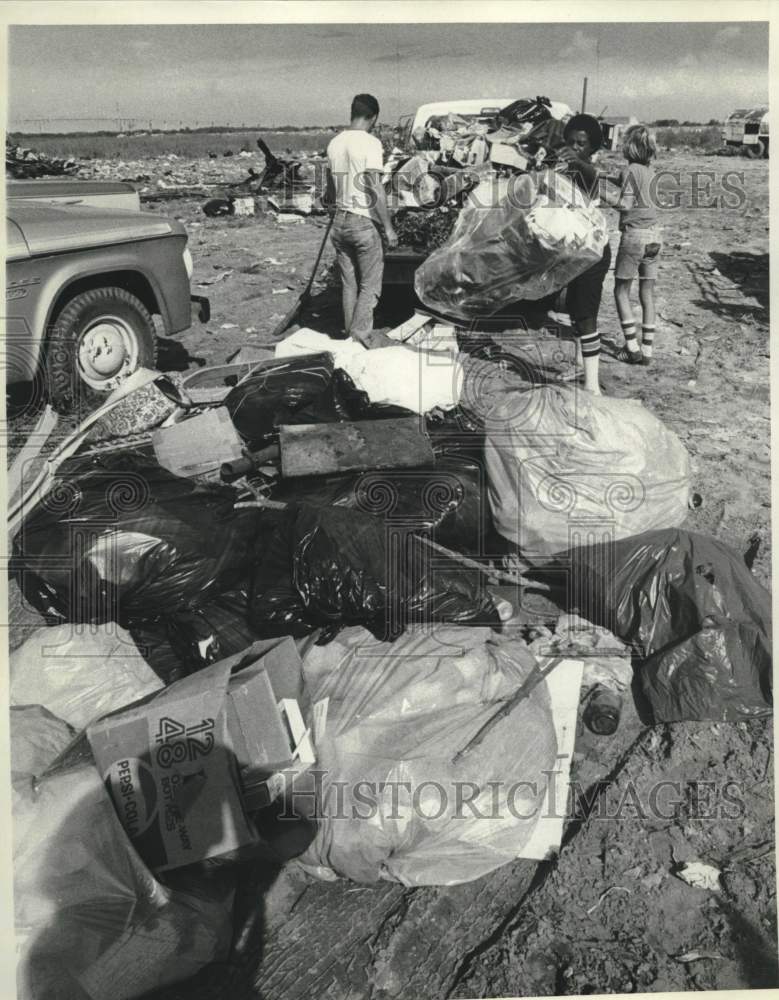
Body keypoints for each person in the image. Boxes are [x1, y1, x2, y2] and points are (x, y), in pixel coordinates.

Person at [325, 94, 398, 347]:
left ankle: (348, 336)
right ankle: (359, 339)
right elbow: (373, 186)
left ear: (352, 113)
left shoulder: (335, 143)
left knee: (349, 284)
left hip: (339, 222)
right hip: (362, 223)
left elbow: (330, 191)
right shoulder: (370, 143)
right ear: (374, 117)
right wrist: (388, 227)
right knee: (370, 286)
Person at [554, 113, 612, 395]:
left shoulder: (586, 171)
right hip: (576, 250)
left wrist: (576, 161)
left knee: (586, 316)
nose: (576, 147)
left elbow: (590, 174)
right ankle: (580, 364)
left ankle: (592, 387)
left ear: (592, 148)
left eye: (582, 144)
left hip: (593, 253)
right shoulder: (564, 172)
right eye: (571, 143)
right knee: (575, 312)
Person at [606, 125, 661, 365]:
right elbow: (629, 184)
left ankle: (631, 348)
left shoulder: (629, 170)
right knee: (647, 294)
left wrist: (600, 193)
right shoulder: (650, 171)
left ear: (629, 146)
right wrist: (600, 174)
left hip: (634, 237)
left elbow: (625, 204)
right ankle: (647, 351)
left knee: (620, 291)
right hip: (655, 237)